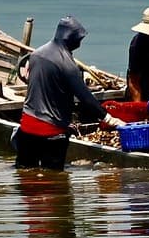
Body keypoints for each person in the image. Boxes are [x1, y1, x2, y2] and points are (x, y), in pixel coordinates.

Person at [15, 15, 127, 170]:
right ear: (70, 38)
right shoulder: (68, 65)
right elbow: (85, 98)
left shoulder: (36, 55)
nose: (80, 43)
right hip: (52, 132)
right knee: (54, 180)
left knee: (25, 173)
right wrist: (110, 119)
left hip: (26, 127)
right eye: (79, 39)